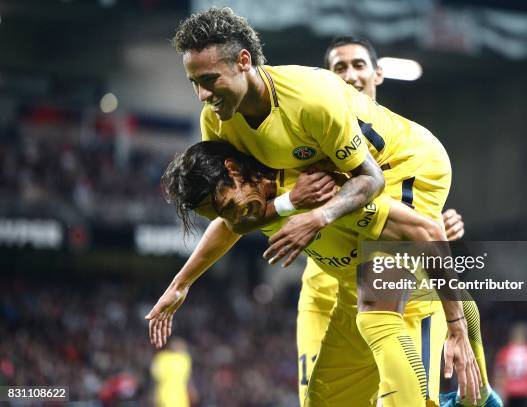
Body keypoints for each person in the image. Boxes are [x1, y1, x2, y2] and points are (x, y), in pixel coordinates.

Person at [149, 6, 482, 405]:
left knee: (379, 308)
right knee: (326, 395)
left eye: (208, 80)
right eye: (193, 84)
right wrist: (180, 283)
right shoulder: (219, 121)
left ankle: (462, 379)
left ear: (243, 62)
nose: (203, 95)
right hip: (329, 201)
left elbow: (371, 181)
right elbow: (238, 215)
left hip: (402, 167)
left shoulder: (310, 101)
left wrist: (315, 215)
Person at [149, 141, 467, 406]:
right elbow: (227, 228)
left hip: (408, 294)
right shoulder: (249, 207)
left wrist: (457, 323)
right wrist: (180, 284)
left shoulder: (322, 189)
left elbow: (423, 229)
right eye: (221, 216)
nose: (233, 221)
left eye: (227, 207)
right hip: (350, 296)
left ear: (234, 173)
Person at [321, 36, 501, 407]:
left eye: (358, 65)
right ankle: (479, 397)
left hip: (397, 286)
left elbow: (421, 225)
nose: (351, 74)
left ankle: (479, 397)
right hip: (333, 287)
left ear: (378, 74)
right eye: (339, 67)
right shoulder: (323, 136)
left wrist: (436, 223)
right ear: (327, 77)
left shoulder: (407, 141)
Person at [495, 323, 527, 407]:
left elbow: (500, 374)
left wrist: (500, 392)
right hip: (526, 390)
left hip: (509, 390)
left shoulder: (504, 352)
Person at [150, 337, 195, 407]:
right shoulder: (185, 359)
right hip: (177, 397)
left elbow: (154, 379)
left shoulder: (161, 358)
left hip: (167, 397)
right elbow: (188, 379)